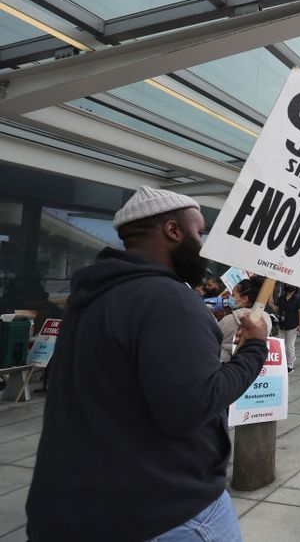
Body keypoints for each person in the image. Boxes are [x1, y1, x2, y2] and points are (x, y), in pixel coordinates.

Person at [26, 186, 269, 541]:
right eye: (199, 232)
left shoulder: (90, 298)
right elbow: (193, 406)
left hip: (75, 510)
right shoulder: (168, 300)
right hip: (169, 512)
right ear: (173, 231)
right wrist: (255, 350)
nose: (204, 244)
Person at [218, 277, 263, 362]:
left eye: (233, 295)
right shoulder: (265, 319)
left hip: (226, 364)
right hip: (252, 364)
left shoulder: (228, 320)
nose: (230, 298)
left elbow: (213, 338)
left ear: (245, 299)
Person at [271, 284, 300, 371]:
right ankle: (284, 362)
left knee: (289, 346)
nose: (288, 285)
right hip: (282, 324)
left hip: (293, 325)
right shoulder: (282, 298)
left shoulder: (298, 298)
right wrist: (271, 304)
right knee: (281, 345)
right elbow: (278, 310)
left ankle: (290, 365)